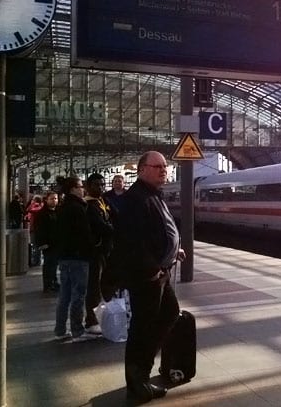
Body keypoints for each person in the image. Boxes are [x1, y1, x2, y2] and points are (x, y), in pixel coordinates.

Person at [115, 151, 185, 402]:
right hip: (147, 277)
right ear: (142, 169)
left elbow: (157, 232)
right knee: (142, 328)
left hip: (159, 272)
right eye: (157, 166)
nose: (163, 170)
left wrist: (174, 250)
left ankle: (141, 374)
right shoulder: (136, 198)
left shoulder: (153, 195)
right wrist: (151, 269)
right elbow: (132, 240)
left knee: (168, 313)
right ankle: (137, 382)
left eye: (165, 166)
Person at [53, 176, 99, 342]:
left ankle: (59, 330)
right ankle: (77, 330)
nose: (83, 189)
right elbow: (84, 235)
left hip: (65, 256)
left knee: (64, 294)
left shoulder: (63, 207)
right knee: (78, 294)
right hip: (78, 257)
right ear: (73, 189)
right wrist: (92, 249)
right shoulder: (77, 208)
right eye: (80, 186)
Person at [83, 173, 115, 334]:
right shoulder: (89, 205)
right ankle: (91, 320)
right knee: (94, 286)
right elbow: (99, 225)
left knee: (107, 284)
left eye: (103, 184)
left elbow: (114, 217)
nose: (101, 187)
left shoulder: (103, 201)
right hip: (95, 251)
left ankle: (106, 316)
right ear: (88, 186)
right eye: (97, 185)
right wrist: (116, 230)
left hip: (106, 250)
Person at [34, 191, 60, 292]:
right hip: (48, 244)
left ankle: (54, 281)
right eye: (52, 199)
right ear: (46, 200)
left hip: (56, 243)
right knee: (49, 264)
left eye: (56, 198)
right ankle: (48, 284)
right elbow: (39, 229)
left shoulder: (57, 212)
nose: (54, 201)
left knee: (54, 264)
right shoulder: (42, 214)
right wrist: (42, 243)